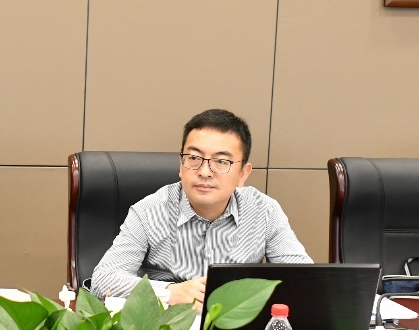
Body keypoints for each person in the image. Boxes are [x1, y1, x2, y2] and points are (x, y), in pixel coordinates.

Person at [90, 108, 311, 306]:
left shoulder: (264, 211)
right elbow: (103, 280)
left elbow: (306, 281)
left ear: (243, 173)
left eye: (221, 161)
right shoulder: (149, 211)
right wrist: (169, 292)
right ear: (181, 165)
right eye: (194, 158)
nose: (204, 172)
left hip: (233, 329)